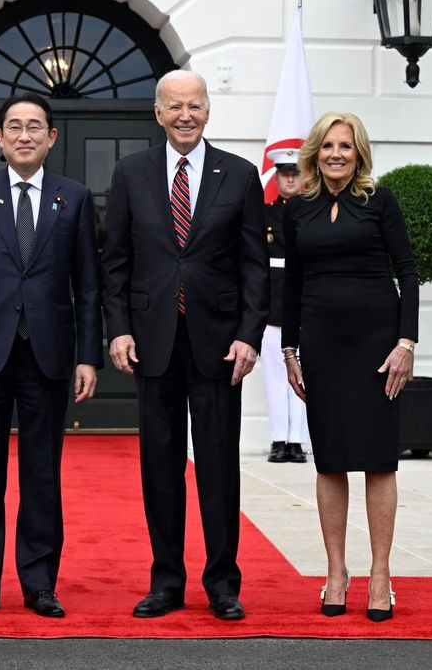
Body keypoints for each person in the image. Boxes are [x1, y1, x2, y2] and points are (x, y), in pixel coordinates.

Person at [102, 69, 268, 621]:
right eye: (174, 106)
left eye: (194, 105)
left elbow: (253, 267)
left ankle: (223, 583)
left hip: (220, 347)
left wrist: (249, 336)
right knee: (160, 468)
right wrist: (119, 327)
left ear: (207, 111)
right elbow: (116, 263)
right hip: (153, 343)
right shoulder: (130, 173)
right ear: (158, 113)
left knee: (219, 466)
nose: (185, 116)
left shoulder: (241, 175)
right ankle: (166, 581)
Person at [0, 92, 102, 619]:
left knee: (41, 474)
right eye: (14, 126)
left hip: (49, 355)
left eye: (35, 126)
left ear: (51, 138)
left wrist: (88, 356)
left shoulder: (72, 197)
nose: (25, 135)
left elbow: (89, 285)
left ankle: (39, 584)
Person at [281, 112, 418, 623]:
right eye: (328, 146)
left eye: (346, 145)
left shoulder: (380, 202)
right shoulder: (297, 210)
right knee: (330, 459)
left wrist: (406, 343)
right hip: (320, 345)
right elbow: (291, 283)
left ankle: (381, 574)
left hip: (378, 346)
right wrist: (289, 352)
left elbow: (407, 271)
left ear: (359, 153)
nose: (336, 154)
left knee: (380, 458)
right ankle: (336, 573)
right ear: (315, 152)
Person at [262, 148, 310, 464]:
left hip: (304, 304)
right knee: (274, 376)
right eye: (285, 173)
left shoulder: (312, 211)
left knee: (304, 375)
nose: (290, 178)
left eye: (295, 173)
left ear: (304, 176)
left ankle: (298, 441)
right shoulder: (264, 214)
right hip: (270, 303)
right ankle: (279, 440)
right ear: (277, 177)